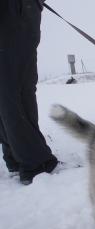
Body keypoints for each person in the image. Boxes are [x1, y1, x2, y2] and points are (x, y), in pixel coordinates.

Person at [0, 0, 59, 185]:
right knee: (15, 92)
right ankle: (34, 163)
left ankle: (17, 157)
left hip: (19, 14)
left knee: (12, 92)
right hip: (15, 14)